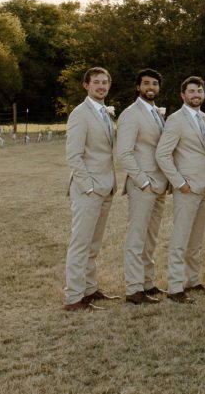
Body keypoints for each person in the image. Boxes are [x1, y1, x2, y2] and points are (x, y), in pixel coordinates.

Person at [156, 76, 205, 303]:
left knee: (196, 238)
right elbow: (162, 154)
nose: (196, 95)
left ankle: (192, 280)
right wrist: (179, 182)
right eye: (191, 91)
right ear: (183, 95)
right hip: (187, 188)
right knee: (181, 237)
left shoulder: (204, 118)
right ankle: (174, 287)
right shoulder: (176, 119)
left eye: (199, 91)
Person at [63, 67, 118, 311]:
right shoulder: (80, 114)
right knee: (80, 243)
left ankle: (90, 288)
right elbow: (74, 156)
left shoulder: (106, 113)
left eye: (105, 82)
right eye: (96, 82)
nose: (101, 86)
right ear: (86, 85)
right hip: (89, 190)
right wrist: (89, 187)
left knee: (93, 244)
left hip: (106, 187)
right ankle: (73, 298)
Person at [115, 68, 167, 305]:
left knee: (151, 237)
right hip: (142, 184)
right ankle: (134, 289)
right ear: (138, 87)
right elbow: (124, 153)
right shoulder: (131, 114)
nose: (151, 87)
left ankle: (147, 282)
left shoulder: (157, 113)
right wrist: (143, 181)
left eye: (154, 84)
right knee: (137, 237)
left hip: (159, 184)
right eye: (146, 83)